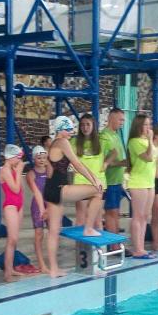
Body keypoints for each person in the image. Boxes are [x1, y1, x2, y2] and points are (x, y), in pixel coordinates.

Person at [43, 116, 103, 278]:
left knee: (53, 231)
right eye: (69, 129)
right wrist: (95, 181)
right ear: (61, 129)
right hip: (60, 189)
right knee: (98, 192)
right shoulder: (63, 142)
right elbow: (77, 163)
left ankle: (53, 270)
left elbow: (68, 168)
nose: (72, 132)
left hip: (51, 189)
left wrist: (93, 177)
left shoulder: (54, 144)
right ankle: (88, 228)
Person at [126, 114, 156, 259]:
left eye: (149, 124)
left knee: (145, 216)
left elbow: (154, 161)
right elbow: (148, 158)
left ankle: (141, 248)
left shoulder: (146, 140)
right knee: (138, 216)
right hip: (138, 182)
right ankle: (137, 249)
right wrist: (150, 140)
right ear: (138, 126)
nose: (148, 127)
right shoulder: (134, 142)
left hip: (150, 182)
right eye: (145, 124)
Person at [72, 113, 109, 226]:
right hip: (81, 183)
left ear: (93, 125)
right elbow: (70, 160)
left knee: (97, 220)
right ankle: (81, 239)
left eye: (88, 124)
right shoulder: (74, 142)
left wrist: (106, 163)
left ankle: (98, 239)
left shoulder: (102, 140)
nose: (85, 127)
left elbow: (115, 152)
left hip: (98, 184)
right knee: (81, 219)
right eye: (82, 125)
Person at [0, 144, 27, 282]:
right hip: (10, 206)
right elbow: (15, 189)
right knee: (12, 239)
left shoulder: (12, 168)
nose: (20, 161)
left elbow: (20, 188)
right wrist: (20, 171)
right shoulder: (4, 170)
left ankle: (11, 269)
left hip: (18, 205)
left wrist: (18, 171)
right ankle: (7, 272)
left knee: (15, 239)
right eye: (18, 158)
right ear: (10, 157)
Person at [100, 107, 128, 236]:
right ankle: (113, 243)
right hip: (109, 182)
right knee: (111, 213)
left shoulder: (116, 135)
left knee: (116, 213)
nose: (122, 122)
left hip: (117, 181)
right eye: (120, 120)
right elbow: (103, 163)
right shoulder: (104, 137)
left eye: (123, 120)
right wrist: (122, 163)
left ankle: (116, 241)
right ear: (111, 118)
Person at [26, 145, 50, 273]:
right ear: (34, 159)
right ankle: (42, 264)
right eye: (39, 158)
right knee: (39, 234)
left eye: (44, 157)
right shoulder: (31, 174)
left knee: (53, 233)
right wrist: (42, 209)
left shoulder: (49, 171)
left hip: (50, 204)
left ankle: (52, 261)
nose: (42, 160)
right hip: (37, 206)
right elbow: (36, 192)